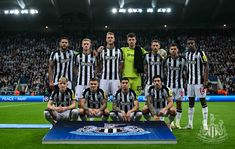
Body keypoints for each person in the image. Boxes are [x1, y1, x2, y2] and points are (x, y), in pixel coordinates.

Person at [185, 38, 209, 130]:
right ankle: (190, 124)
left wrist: (206, 80)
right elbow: (187, 69)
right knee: (191, 103)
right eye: (189, 43)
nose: (190, 45)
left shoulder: (201, 53)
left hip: (199, 83)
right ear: (187, 45)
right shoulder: (187, 54)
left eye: (192, 43)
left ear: (195, 44)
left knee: (203, 101)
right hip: (190, 83)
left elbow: (206, 66)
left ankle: (205, 124)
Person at [163, 43, 187, 129]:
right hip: (169, 86)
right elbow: (163, 70)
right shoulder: (167, 60)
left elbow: (186, 71)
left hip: (180, 87)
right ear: (169, 50)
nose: (173, 50)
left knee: (179, 104)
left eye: (175, 49)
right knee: (170, 104)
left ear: (178, 50)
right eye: (172, 49)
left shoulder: (183, 60)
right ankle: (171, 122)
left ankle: (178, 122)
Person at [98, 32, 123, 97]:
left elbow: (121, 64)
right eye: (108, 38)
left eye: (111, 37)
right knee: (102, 97)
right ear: (106, 39)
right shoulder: (102, 51)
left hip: (115, 78)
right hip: (104, 78)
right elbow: (99, 63)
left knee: (117, 97)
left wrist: (119, 74)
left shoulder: (119, 51)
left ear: (114, 39)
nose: (110, 39)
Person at [74, 38, 97, 104]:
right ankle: (80, 113)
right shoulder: (78, 56)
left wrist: (94, 75)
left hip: (90, 83)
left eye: (87, 44)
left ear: (90, 45)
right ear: (82, 45)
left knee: (90, 101)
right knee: (79, 101)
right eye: (84, 44)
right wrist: (77, 74)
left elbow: (96, 67)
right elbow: (75, 66)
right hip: (80, 82)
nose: (86, 45)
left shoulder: (94, 57)